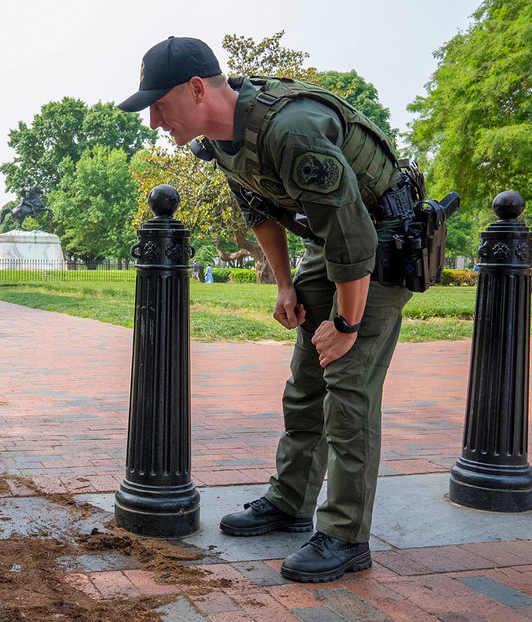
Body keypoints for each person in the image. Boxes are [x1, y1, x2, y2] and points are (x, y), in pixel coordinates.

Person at [120, 36, 416, 583]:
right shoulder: (215, 142)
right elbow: (259, 208)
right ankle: (290, 501)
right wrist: (284, 284)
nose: (156, 121)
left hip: (384, 245)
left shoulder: (293, 130)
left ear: (195, 89)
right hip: (329, 244)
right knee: (306, 383)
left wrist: (347, 323)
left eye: (159, 105)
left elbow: (354, 237)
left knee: (347, 388)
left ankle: (347, 537)